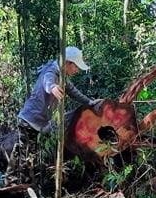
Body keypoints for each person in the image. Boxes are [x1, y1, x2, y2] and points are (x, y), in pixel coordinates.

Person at [7, 46, 102, 184]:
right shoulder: (51, 71)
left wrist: (90, 102)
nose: (76, 71)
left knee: (26, 153)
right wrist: (52, 87)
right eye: (75, 67)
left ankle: (21, 182)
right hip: (29, 121)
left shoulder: (63, 77)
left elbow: (74, 92)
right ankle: (18, 185)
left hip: (40, 124)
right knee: (26, 157)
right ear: (68, 63)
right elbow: (47, 80)